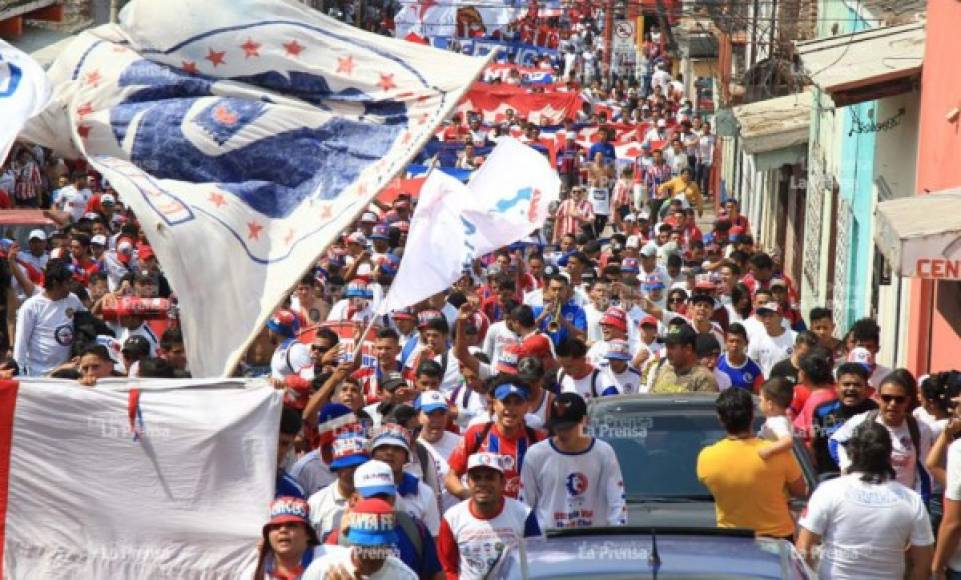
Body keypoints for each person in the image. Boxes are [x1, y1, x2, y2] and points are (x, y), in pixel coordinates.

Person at [797, 422, 934, 580]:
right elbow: (923, 564)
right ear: (889, 454)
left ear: (852, 453)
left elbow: (803, 550)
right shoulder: (912, 500)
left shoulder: (828, 491)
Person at [697, 388, 806, 538]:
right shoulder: (777, 452)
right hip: (778, 538)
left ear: (720, 419)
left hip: (732, 539)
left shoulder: (706, 457)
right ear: (753, 416)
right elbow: (800, 490)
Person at [520, 392, 627, 529]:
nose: (562, 433)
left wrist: (616, 536)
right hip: (550, 542)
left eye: (568, 428)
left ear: (584, 421)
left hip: (593, 540)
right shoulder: (536, 454)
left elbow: (617, 501)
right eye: (558, 427)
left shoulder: (604, 452)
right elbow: (525, 504)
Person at [325, 460, 444, 580]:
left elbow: (435, 575)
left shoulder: (414, 530)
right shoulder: (338, 538)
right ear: (354, 499)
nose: (378, 503)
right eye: (371, 497)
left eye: (383, 497)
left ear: (393, 497)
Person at [830, 370, 934, 499]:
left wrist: (921, 505)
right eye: (887, 398)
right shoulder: (862, 421)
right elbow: (835, 441)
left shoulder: (920, 429)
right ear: (878, 398)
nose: (892, 404)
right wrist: (846, 466)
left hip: (901, 503)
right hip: (865, 499)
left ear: (907, 401)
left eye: (899, 399)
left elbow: (924, 473)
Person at [438, 452, 541, 579]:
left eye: (490, 477)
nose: (482, 483)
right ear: (468, 482)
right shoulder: (452, 518)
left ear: (503, 482)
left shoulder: (523, 515)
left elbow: (537, 562)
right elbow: (447, 568)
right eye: (476, 478)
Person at [446, 380, 544, 500]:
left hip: (522, 515)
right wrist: (470, 497)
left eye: (517, 402)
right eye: (505, 402)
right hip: (484, 515)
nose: (510, 408)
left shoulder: (538, 440)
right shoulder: (476, 434)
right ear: (494, 404)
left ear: (526, 407)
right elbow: (451, 477)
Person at [305, 497, 417, 580]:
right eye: (366, 545)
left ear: (389, 544)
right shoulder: (322, 569)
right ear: (353, 541)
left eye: (379, 545)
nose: (371, 552)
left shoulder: (405, 576)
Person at [13, 259, 87, 376]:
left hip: (67, 371)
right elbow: (21, 342)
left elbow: (86, 324)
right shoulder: (31, 307)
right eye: (67, 283)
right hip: (38, 373)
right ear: (55, 283)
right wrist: (19, 372)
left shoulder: (73, 300)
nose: (71, 286)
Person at [369, 424, 441, 536]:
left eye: (397, 449)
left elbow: (433, 537)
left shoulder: (424, 493)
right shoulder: (359, 488)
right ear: (372, 454)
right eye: (383, 447)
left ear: (407, 457)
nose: (389, 453)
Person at [810, 362, 877, 474]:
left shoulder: (875, 412)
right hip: (830, 476)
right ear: (836, 387)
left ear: (866, 388)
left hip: (865, 476)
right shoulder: (822, 411)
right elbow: (816, 445)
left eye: (857, 385)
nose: (851, 388)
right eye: (846, 384)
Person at [308, 430, 369, 540]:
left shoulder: (384, 495)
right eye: (350, 466)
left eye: (361, 465)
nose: (356, 471)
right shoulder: (316, 502)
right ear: (337, 469)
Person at [254, 496, 328, 580]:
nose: (283, 530)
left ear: (308, 534)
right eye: (276, 526)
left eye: (291, 525)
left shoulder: (330, 562)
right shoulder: (252, 572)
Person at [650, 323, 719, 393]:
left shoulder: (703, 378)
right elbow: (650, 400)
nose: (668, 352)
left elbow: (704, 403)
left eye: (672, 347)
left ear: (688, 349)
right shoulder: (664, 370)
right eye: (667, 347)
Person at [747, 300, 797, 378]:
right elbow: (751, 364)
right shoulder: (756, 339)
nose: (767, 320)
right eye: (764, 316)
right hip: (767, 386)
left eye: (771, 316)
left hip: (788, 385)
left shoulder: (794, 337)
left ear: (780, 317)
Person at [715, 322, 764, 392]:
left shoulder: (755, 368)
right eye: (731, 341)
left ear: (746, 343)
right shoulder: (717, 363)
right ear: (725, 342)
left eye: (738, 341)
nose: (735, 345)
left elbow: (758, 395)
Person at [757, 378, 794, 460]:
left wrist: (769, 450)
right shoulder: (781, 418)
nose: (759, 403)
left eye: (761, 400)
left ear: (770, 404)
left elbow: (788, 441)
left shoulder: (777, 421)